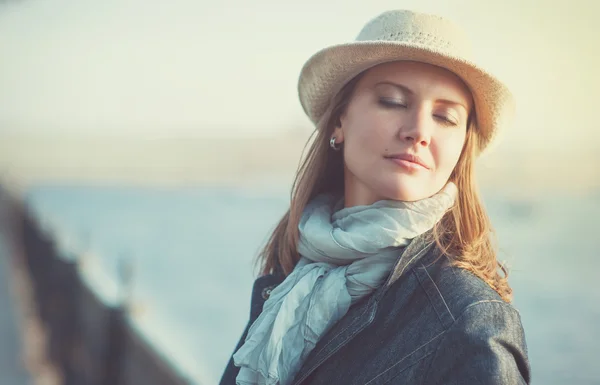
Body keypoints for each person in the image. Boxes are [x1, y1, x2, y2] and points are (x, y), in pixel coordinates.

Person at [219, 9, 530, 385]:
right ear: (340, 121)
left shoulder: (469, 321)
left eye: (445, 117)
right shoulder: (292, 279)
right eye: (393, 101)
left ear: (462, 147)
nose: (418, 131)